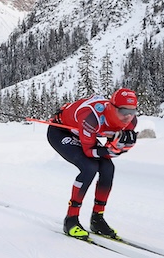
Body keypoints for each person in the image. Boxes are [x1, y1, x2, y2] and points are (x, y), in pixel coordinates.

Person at [47, 88, 138, 239]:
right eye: (123, 111)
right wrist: (114, 150)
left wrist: (119, 148)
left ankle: (97, 219)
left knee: (108, 168)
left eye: (132, 111)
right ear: (112, 107)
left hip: (81, 133)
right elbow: (89, 151)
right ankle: (71, 219)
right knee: (89, 167)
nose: (128, 116)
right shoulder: (91, 117)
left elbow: (109, 148)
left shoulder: (130, 122)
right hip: (61, 131)